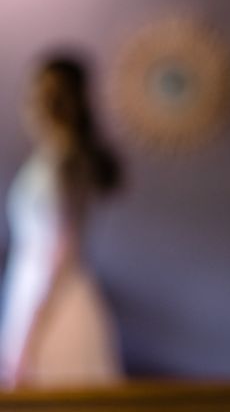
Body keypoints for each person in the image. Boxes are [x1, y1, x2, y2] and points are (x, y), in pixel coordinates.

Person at [0, 55, 123, 388]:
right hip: (38, 294)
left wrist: (27, 339)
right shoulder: (56, 159)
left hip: (50, 305)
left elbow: (57, 254)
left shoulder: (61, 164)